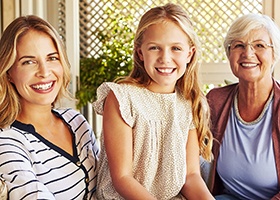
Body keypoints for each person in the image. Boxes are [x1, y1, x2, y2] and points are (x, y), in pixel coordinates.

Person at [93, 3, 214, 200]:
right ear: (140, 53)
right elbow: (122, 178)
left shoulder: (187, 103)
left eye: (176, 48)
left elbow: (191, 176)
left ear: (189, 54)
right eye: (154, 48)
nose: (165, 58)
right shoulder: (122, 98)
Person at [0, 15, 99, 199]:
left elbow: (107, 185)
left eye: (52, 58)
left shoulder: (77, 122)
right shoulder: (7, 141)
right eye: (28, 62)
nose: (44, 72)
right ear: (8, 74)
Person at [206, 13, 280, 200]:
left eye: (259, 45)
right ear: (229, 54)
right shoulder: (216, 100)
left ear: (274, 55)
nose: (248, 53)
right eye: (239, 45)